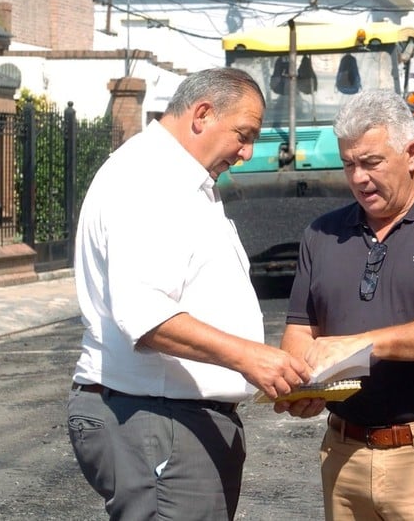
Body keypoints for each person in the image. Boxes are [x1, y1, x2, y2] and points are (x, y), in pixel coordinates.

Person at [67, 68, 310, 520]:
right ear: (202, 114)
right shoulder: (152, 179)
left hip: (170, 419)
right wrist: (250, 358)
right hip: (159, 419)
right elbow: (145, 313)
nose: (247, 153)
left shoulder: (180, 178)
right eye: (243, 134)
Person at [276, 89, 414, 520]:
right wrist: (302, 386)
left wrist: (360, 345)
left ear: (412, 153)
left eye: (371, 162)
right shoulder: (321, 234)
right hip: (343, 451)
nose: (358, 178)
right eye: (348, 164)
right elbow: (300, 329)